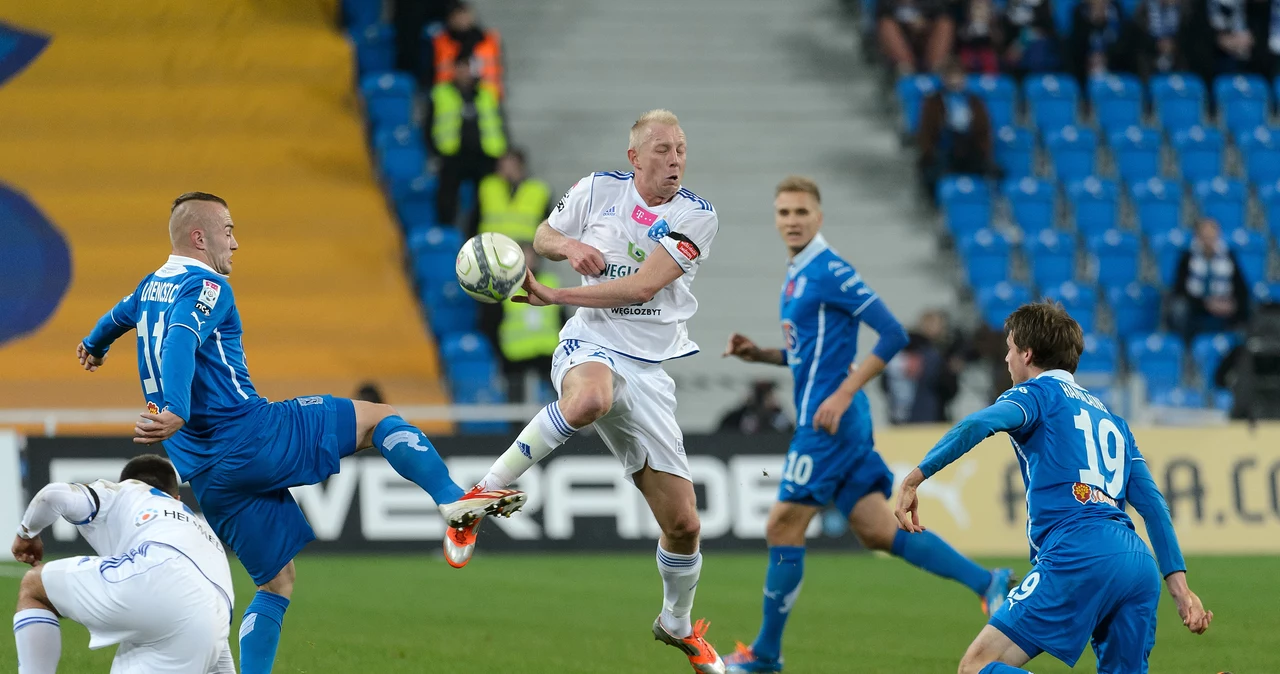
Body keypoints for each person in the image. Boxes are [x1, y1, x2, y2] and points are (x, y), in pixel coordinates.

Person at [75, 192, 526, 674]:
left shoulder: (150, 286)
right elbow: (183, 336)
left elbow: (117, 316)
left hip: (206, 473)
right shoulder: (207, 287)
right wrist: (176, 408)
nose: (236, 241)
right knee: (378, 417)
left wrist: (92, 344)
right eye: (228, 230)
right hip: (252, 435)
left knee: (276, 585)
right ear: (199, 237)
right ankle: (452, 501)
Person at [467, 109, 727, 674]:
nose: (675, 158)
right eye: (662, 149)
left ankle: (676, 625)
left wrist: (558, 295)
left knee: (683, 525)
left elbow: (643, 284)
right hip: (592, 343)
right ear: (634, 158)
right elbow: (543, 233)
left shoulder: (696, 216)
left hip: (652, 368)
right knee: (587, 401)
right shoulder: (596, 188)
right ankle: (481, 494)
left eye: (681, 148)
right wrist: (566, 249)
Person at [719, 176, 1013, 673]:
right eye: (784, 213)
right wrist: (762, 354)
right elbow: (807, 355)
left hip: (830, 422)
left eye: (801, 212)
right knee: (877, 530)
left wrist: (845, 391)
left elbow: (894, 333)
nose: (792, 220)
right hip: (835, 417)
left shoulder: (830, 269)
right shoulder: (797, 273)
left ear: (819, 217)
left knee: (781, 524)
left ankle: (766, 655)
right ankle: (987, 582)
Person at [894, 301, 1214, 673]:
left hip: (1077, 553)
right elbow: (1154, 507)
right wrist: (1180, 589)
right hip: (1138, 566)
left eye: (1011, 349)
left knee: (978, 666)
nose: (1007, 359)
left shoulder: (1037, 396)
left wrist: (916, 477)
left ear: (1027, 354)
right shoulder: (1114, 422)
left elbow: (977, 425)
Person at [11, 454, 235, 673]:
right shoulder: (202, 530)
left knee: (35, 587)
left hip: (155, 575)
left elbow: (52, 496)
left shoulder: (128, 490)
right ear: (177, 499)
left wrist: (26, 534)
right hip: (213, 620)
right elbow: (218, 642)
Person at [429, 61, 507, 227]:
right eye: (461, 68)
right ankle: (446, 231)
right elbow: (429, 124)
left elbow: (499, 123)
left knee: (485, 198)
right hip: (453, 154)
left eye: (467, 69)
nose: (465, 73)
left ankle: (476, 230)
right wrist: (434, 151)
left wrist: (502, 151)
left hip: (484, 154)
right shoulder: (441, 93)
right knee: (447, 197)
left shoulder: (487, 94)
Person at [918, 59, 995, 202]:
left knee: (989, 169)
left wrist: (984, 151)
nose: (955, 81)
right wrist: (929, 152)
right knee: (936, 169)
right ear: (944, 79)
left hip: (970, 146)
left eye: (958, 76)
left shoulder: (975, 101)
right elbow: (926, 132)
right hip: (945, 147)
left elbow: (984, 130)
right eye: (951, 76)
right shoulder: (933, 102)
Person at [1168, 217, 1251, 342]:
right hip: (1196, 305)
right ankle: (1185, 349)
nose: (1209, 240)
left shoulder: (1228, 256)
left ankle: (1239, 347)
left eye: (1212, 236)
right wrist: (1205, 303)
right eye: (1205, 236)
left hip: (1223, 303)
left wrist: (1232, 303)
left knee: (1249, 305)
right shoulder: (1188, 257)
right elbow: (1180, 289)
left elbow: (1241, 287)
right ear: (1198, 237)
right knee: (1179, 308)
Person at [882, 309, 962, 424]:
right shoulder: (934, 356)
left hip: (901, 418)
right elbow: (949, 389)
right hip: (930, 418)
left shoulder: (898, 350)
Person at [427, 0, 503, 97]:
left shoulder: (488, 40)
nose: (462, 20)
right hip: (447, 95)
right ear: (450, 18)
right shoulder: (440, 42)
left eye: (464, 15)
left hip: (487, 94)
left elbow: (498, 69)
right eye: (458, 16)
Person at [475, 148, 551, 242]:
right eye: (502, 166)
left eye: (510, 165)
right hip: (490, 244)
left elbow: (548, 223)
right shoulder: (488, 186)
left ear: (520, 166)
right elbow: (474, 217)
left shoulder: (538, 189)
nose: (505, 170)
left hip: (525, 245)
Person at [876, 0, 956, 75]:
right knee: (886, 25)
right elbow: (883, 14)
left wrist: (925, 21)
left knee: (945, 24)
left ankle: (936, 69)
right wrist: (908, 22)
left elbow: (941, 11)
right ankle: (906, 70)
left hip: (927, 34)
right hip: (900, 36)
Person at [716, 380, 793, 434]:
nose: (762, 398)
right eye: (759, 393)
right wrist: (744, 408)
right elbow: (723, 433)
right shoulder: (737, 417)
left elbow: (790, 434)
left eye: (766, 393)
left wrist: (777, 410)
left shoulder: (778, 417)